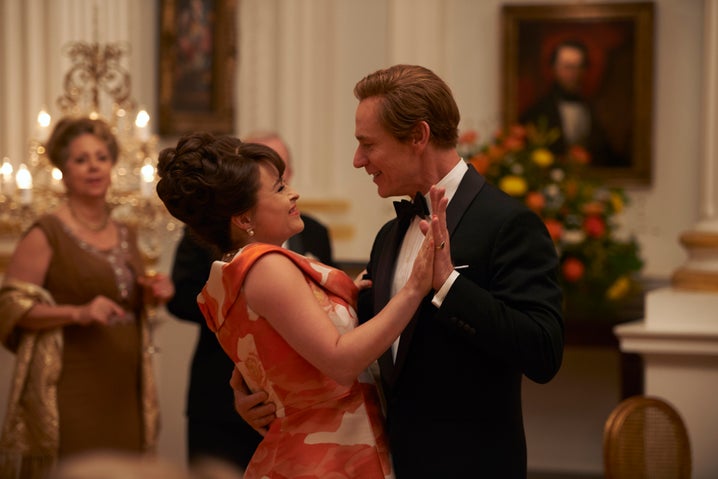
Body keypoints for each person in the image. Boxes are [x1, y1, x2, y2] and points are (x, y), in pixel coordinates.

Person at [234, 64, 565, 478]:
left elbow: (543, 352)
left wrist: (448, 285)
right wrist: (251, 382)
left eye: (368, 144)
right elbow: (348, 338)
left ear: (418, 137)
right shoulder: (390, 234)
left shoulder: (508, 224)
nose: (358, 161)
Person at [156, 132, 445, 478]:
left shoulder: (232, 268)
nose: (293, 193)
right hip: (324, 456)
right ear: (244, 219)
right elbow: (340, 362)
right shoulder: (265, 265)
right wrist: (414, 287)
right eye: (278, 188)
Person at [0, 117, 174, 468]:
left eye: (101, 157)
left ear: (112, 165)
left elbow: (132, 297)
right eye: (81, 159)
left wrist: (156, 292)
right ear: (63, 169)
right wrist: (77, 313)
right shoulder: (46, 232)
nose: (93, 166)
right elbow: (8, 305)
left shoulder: (126, 232)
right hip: (70, 385)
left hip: (126, 388)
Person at [166, 131, 335, 471]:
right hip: (222, 401)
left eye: (280, 178)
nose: (285, 189)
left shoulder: (313, 231)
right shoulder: (208, 238)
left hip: (309, 413)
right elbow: (182, 297)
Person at [520, 39, 626, 167]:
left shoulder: (594, 109)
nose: (573, 73)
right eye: (568, 67)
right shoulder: (537, 112)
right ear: (553, 68)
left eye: (579, 66)